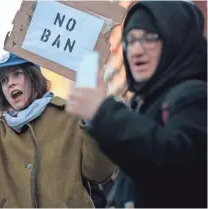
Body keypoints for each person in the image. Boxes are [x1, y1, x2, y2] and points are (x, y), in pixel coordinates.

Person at [0, 47, 115, 207]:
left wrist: (93, 122)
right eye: (4, 80)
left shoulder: (70, 117)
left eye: (17, 74)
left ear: (34, 77)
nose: (10, 83)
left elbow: (99, 173)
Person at [66, 1, 207, 208]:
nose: (136, 50)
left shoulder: (195, 95)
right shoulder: (145, 103)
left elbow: (175, 162)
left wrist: (103, 112)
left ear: (174, 38)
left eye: (149, 38)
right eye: (130, 40)